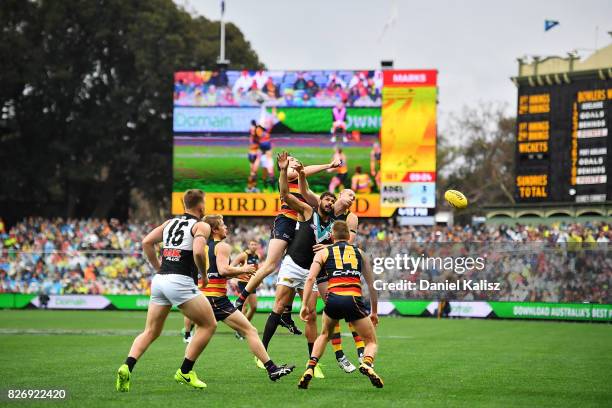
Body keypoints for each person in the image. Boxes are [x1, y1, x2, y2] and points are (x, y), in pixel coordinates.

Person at [116, 189, 217, 392]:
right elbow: (198, 251)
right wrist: (204, 275)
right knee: (208, 325)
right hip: (180, 281)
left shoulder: (169, 223)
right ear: (201, 206)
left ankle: (127, 366)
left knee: (151, 331)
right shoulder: (201, 225)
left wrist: (158, 267)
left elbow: (146, 242)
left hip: (160, 280)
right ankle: (185, 372)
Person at [233, 155, 341, 335]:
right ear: (284, 165)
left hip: (300, 227)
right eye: (291, 159)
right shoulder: (287, 175)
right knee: (270, 265)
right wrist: (327, 165)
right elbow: (300, 172)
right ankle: (240, 299)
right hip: (286, 221)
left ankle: (286, 313)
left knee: (292, 266)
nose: (296, 161)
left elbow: (314, 196)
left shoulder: (301, 183)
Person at [259, 151, 337, 379]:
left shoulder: (333, 226)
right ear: (318, 200)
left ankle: (313, 363)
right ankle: (261, 352)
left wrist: (328, 249)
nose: (329, 203)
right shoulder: (307, 211)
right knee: (279, 305)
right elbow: (285, 193)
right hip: (293, 264)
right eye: (327, 199)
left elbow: (343, 247)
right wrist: (284, 170)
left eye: (333, 201)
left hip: (311, 271)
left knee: (311, 315)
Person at [200, 214, 295, 381]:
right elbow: (223, 270)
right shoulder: (222, 246)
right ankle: (272, 369)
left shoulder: (200, 246)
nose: (226, 227)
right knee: (250, 330)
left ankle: (185, 369)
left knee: (204, 332)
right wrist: (243, 270)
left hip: (203, 297)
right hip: (216, 298)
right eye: (222, 225)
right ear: (214, 229)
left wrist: (233, 274)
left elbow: (214, 273)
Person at [297, 220, 382, 389]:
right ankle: (366, 363)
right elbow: (372, 286)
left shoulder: (323, 252)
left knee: (324, 335)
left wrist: (304, 305)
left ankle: (310, 368)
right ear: (349, 236)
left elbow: (310, 279)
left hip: (333, 299)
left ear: (331, 235)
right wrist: (374, 311)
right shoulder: (360, 253)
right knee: (371, 341)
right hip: (352, 299)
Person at [298, 175, 364, 373]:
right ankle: (340, 355)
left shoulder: (351, 217)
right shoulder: (324, 207)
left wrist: (325, 246)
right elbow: (305, 193)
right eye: (349, 194)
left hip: (338, 264)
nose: (352, 198)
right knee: (331, 310)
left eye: (354, 197)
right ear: (339, 194)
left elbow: (348, 242)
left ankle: (361, 351)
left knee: (349, 308)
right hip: (318, 264)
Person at [230, 240, 261, 339]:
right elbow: (231, 266)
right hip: (242, 282)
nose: (253, 246)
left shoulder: (257, 256)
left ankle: (243, 329)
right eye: (252, 244)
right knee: (244, 307)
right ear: (248, 245)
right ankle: (240, 331)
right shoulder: (243, 255)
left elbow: (256, 269)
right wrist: (236, 276)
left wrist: (259, 279)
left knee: (254, 307)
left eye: (255, 244)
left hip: (252, 283)